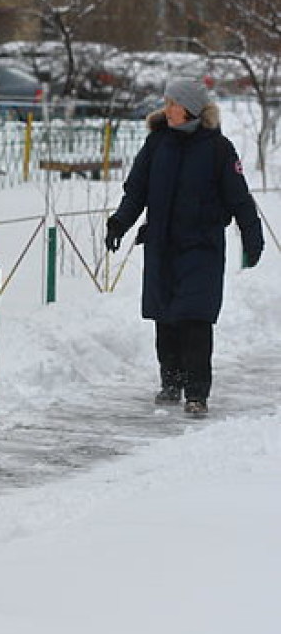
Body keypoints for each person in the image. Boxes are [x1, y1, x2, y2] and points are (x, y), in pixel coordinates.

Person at [105, 76, 263, 416]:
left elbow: (239, 197)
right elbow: (137, 191)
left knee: (195, 320)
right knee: (165, 318)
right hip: (161, 245)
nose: (167, 109)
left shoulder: (219, 149)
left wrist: (252, 234)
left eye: (172, 103)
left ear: (188, 108)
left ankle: (196, 392)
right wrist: (119, 222)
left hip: (201, 248)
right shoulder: (157, 144)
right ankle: (170, 382)